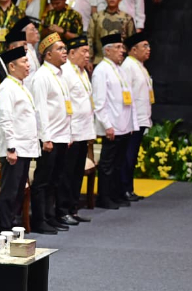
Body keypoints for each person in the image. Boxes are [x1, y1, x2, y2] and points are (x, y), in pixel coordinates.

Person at [30, 34, 73, 233]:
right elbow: (40, 111)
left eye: (65, 48)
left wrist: (69, 134)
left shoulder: (61, 74)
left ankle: (51, 215)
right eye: (60, 49)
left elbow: (65, 107)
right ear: (48, 54)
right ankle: (40, 219)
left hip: (62, 135)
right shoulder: (42, 76)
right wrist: (45, 138)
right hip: (50, 138)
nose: (65, 52)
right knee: (43, 180)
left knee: (56, 179)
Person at [0, 46, 40, 232]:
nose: (28, 65)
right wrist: (11, 148)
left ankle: (12, 226)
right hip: (15, 150)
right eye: (24, 62)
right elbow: (5, 119)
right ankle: (4, 229)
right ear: (12, 66)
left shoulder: (20, 86)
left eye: (28, 61)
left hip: (25, 147)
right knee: (10, 193)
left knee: (18, 192)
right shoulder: (6, 88)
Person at [92, 33, 137, 208]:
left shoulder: (119, 69)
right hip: (112, 126)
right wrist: (107, 125)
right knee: (107, 164)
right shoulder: (101, 70)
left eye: (122, 47)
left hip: (124, 125)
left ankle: (116, 193)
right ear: (107, 50)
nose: (122, 51)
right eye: (118, 47)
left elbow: (129, 99)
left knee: (118, 163)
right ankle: (104, 197)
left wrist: (131, 123)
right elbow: (99, 102)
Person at [58, 36, 94, 223]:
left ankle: (73, 207)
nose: (87, 55)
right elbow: (65, 105)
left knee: (77, 172)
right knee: (67, 172)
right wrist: (69, 132)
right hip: (71, 131)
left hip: (83, 130)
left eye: (88, 51)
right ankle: (63, 209)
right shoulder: (65, 72)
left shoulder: (82, 71)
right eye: (84, 51)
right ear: (72, 53)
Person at [120, 31, 152, 202]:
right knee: (128, 155)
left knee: (132, 156)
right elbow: (126, 96)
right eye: (144, 46)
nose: (148, 49)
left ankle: (129, 188)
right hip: (132, 120)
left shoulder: (140, 66)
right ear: (133, 50)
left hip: (141, 118)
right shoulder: (128, 66)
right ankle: (123, 188)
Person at [88, 0, 135, 64]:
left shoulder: (127, 18)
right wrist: (89, 59)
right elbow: (90, 38)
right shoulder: (97, 17)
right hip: (100, 59)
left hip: (121, 61)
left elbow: (132, 41)